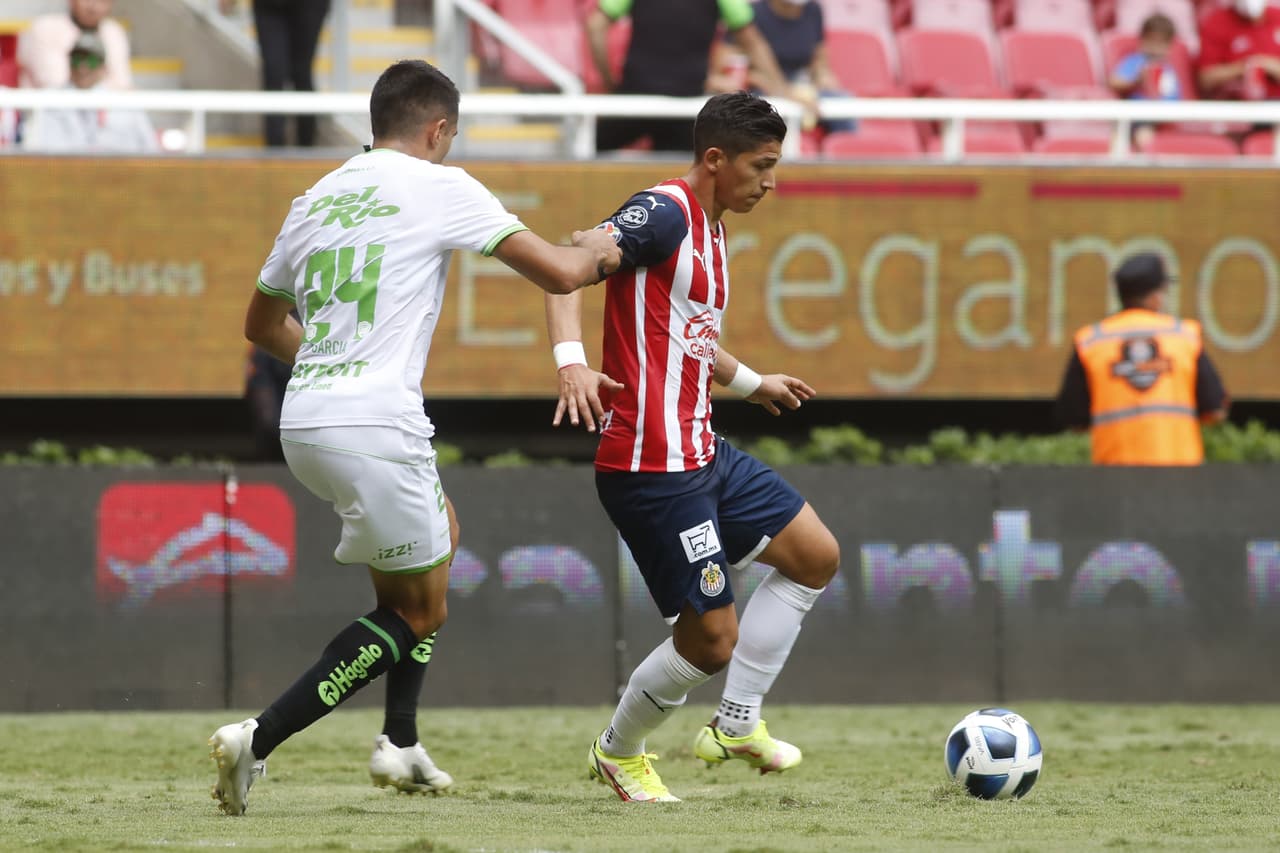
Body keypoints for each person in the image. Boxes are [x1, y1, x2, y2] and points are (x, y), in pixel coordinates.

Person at [208, 59, 623, 816]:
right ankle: (257, 739)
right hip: (377, 421)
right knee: (418, 613)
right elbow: (563, 273)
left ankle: (399, 741)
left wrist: (332, 364)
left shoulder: (316, 196)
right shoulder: (442, 184)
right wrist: (606, 245)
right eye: (449, 136)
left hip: (305, 421)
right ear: (437, 130)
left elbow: (261, 326)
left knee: (436, 541)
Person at [545, 92, 840, 802]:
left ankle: (736, 723)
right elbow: (571, 258)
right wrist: (570, 358)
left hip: (703, 449)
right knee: (710, 641)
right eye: (761, 166)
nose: (770, 181)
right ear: (715, 159)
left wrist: (750, 380)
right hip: (652, 466)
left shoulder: (712, 225)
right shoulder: (667, 210)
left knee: (815, 556)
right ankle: (618, 751)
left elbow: (689, 338)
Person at [1054, 253, 1229, 466]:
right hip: (1180, 476)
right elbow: (1216, 410)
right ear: (1156, 296)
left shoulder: (1092, 341)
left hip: (1114, 477)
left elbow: (1074, 419)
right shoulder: (1183, 336)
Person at [586, 0, 798, 152]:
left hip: (636, 96)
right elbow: (753, 42)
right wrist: (783, 90)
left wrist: (609, 81)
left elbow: (596, 26)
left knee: (585, 151)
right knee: (681, 190)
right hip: (685, 105)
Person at [708, 0, 855, 134]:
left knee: (840, 102)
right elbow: (726, 67)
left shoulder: (814, 10)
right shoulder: (750, 16)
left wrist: (822, 77)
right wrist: (760, 80)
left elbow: (819, 60)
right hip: (762, 90)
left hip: (801, 87)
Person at [21, 30, 157, 154]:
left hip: (116, 176)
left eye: (91, 61)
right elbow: (32, 150)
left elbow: (151, 151)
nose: (83, 68)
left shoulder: (124, 105)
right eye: (77, 60)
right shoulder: (49, 102)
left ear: (103, 67)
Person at [219, 0, 330, 146]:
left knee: (301, 73)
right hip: (268, 5)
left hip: (309, 5)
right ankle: (274, 150)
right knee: (273, 72)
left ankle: (306, 147)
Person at [17, 0, 132, 91]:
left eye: (102, 0)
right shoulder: (44, 28)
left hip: (103, 115)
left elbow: (122, 86)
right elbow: (56, 84)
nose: (93, 7)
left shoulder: (114, 32)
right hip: (49, 115)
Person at [1109, 13, 1181, 150]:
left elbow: (1173, 98)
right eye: (1151, 41)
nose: (1155, 48)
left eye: (1161, 43)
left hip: (1162, 120)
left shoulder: (1168, 70)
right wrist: (1137, 81)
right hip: (1137, 119)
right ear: (1142, 40)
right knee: (1142, 136)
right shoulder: (1135, 62)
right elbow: (1114, 82)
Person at [1197, 0, 1280, 101]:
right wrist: (1244, 67)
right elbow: (1205, 79)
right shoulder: (1217, 21)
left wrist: (1268, 65)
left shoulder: (1277, 16)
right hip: (1233, 105)